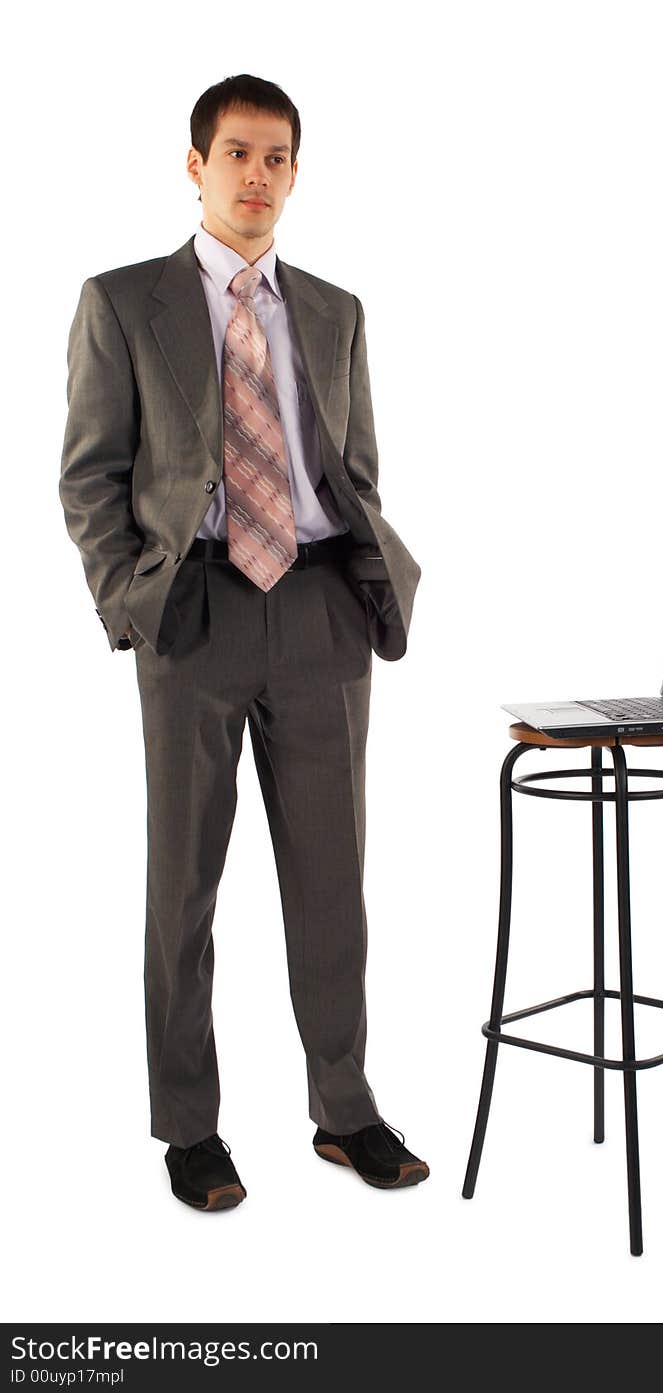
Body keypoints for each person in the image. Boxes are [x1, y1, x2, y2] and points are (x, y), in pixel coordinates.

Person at [59, 73, 429, 1210]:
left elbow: (351, 469)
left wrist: (371, 586)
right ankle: (190, 1129)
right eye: (237, 154)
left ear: (294, 172)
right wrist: (135, 602)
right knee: (185, 889)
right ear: (196, 166)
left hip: (321, 611)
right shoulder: (126, 303)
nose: (257, 176)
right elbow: (90, 477)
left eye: (276, 157)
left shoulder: (333, 309)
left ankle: (344, 1109)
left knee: (334, 884)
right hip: (196, 613)